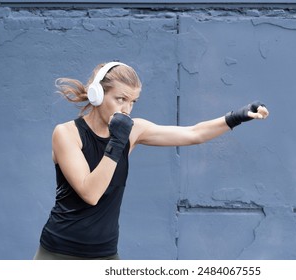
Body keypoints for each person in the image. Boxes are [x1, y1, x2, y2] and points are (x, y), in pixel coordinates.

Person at [34, 61, 269, 260]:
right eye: (120, 99)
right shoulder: (67, 134)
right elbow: (90, 193)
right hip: (58, 252)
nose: (126, 109)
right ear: (97, 94)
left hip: (104, 254)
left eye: (133, 101)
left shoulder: (133, 130)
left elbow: (194, 134)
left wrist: (237, 116)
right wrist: (117, 142)